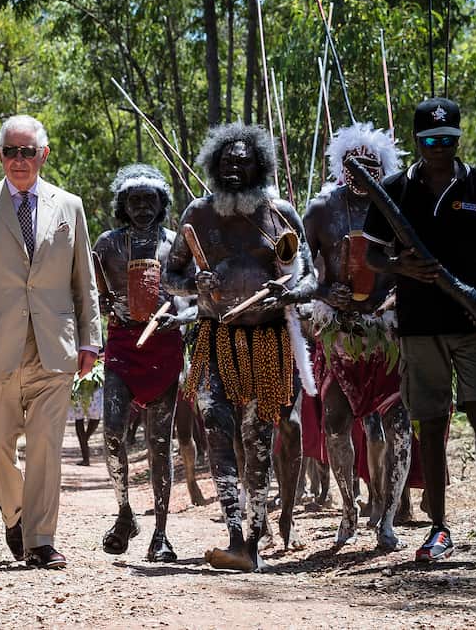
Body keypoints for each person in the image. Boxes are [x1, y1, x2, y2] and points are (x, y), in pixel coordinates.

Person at [363, 97, 476, 562]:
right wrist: (400, 265)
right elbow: (372, 255)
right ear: (417, 141)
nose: (439, 149)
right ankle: (439, 529)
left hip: (472, 323)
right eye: (430, 141)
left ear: (457, 139)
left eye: (447, 140)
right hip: (419, 325)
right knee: (430, 423)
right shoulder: (393, 190)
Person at [0, 114, 100, 570]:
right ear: (0, 155)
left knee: (46, 446)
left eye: (27, 151)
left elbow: (84, 281)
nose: (19, 159)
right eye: (10, 151)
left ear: (43, 155)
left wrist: (91, 339)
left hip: (55, 346)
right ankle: (16, 515)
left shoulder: (70, 207)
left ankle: (40, 540)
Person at [164, 123, 317, 572]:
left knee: (258, 439)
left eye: (243, 162)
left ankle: (251, 542)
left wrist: (288, 292)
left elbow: (310, 276)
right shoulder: (198, 214)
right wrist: (195, 284)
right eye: (226, 161)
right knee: (216, 427)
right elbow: (171, 276)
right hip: (214, 338)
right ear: (214, 165)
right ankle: (234, 534)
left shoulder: (279, 213)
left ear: (259, 166)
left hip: (267, 341)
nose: (234, 168)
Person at [302, 122, 410, 550]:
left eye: (371, 165)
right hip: (338, 333)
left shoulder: (397, 206)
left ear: (383, 168)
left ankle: (386, 516)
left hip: (386, 335)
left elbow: (412, 261)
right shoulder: (321, 209)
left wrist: (395, 297)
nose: (362, 172)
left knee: (398, 426)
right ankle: (348, 510)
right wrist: (325, 291)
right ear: (340, 165)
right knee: (336, 424)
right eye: (353, 164)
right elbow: (298, 270)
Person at [93, 164, 192, 562]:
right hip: (122, 344)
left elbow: (192, 294)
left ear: (161, 202)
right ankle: (124, 513)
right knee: (112, 433)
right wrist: (100, 304)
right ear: (123, 204)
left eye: (150, 200)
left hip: (163, 348)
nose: (142, 208)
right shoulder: (107, 245)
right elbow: (90, 290)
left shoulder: (175, 245)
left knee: (160, 443)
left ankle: (161, 534)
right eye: (134, 201)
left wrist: (179, 318)